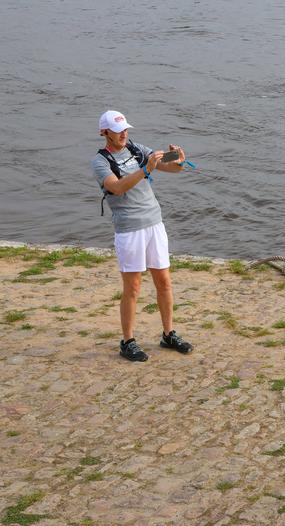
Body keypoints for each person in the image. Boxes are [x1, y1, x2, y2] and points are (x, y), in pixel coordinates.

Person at [91, 110, 193, 362]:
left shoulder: (136, 148)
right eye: (118, 131)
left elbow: (171, 168)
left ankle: (168, 334)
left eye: (126, 129)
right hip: (129, 228)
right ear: (105, 133)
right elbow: (117, 187)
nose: (124, 134)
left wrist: (178, 159)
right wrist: (146, 170)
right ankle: (128, 341)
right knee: (133, 288)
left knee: (164, 282)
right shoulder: (100, 161)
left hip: (154, 223)